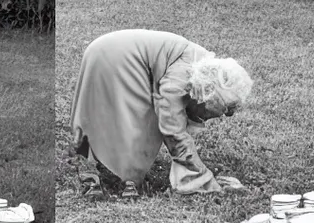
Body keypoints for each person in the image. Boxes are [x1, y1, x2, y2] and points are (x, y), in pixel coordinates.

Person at [71, 29, 253, 197]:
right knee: (142, 119)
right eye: (214, 112)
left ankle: (89, 168)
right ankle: (129, 180)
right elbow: (173, 128)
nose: (210, 118)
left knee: (98, 111)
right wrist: (201, 175)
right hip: (119, 58)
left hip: (100, 49)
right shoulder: (181, 80)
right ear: (206, 95)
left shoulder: (205, 66)